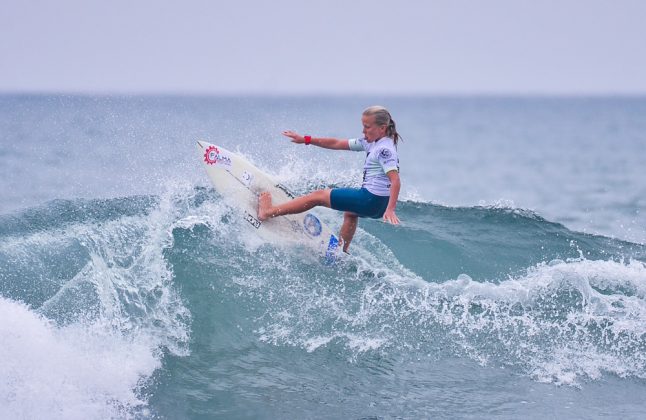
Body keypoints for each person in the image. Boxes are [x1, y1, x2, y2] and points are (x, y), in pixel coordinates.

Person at [258, 105, 402, 253]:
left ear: (382, 128)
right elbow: (337, 143)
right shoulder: (372, 142)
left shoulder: (384, 150)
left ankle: (268, 212)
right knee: (350, 213)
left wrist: (391, 210)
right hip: (378, 204)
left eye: (367, 127)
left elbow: (395, 180)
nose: (363, 131)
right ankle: (341, 252)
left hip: (371, 199)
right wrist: (305, 139)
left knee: (318, 196)